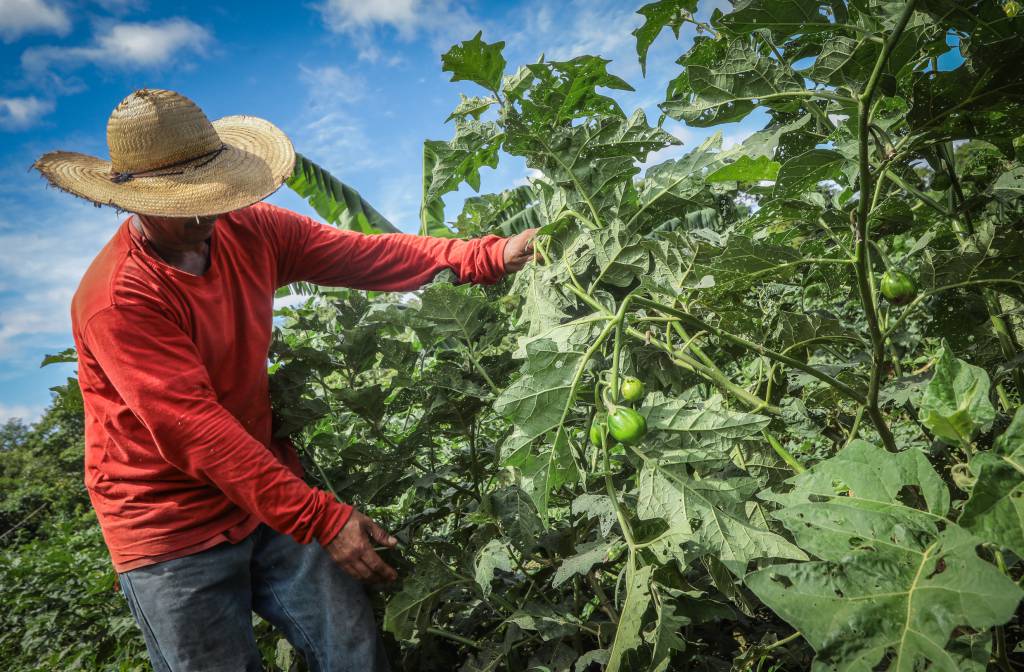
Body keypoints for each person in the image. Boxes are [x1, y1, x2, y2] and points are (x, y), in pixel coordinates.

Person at [32, 88, 537, 672]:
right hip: (168, 530)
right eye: (182, 202)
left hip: (266, 494)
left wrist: (487, 256)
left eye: (212, 192)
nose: (207, 213)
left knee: (354, 654)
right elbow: (197, 432)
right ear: (136, 201)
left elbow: (368, 256)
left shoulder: (252, 230)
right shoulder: (118, 298)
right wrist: (321, 517)